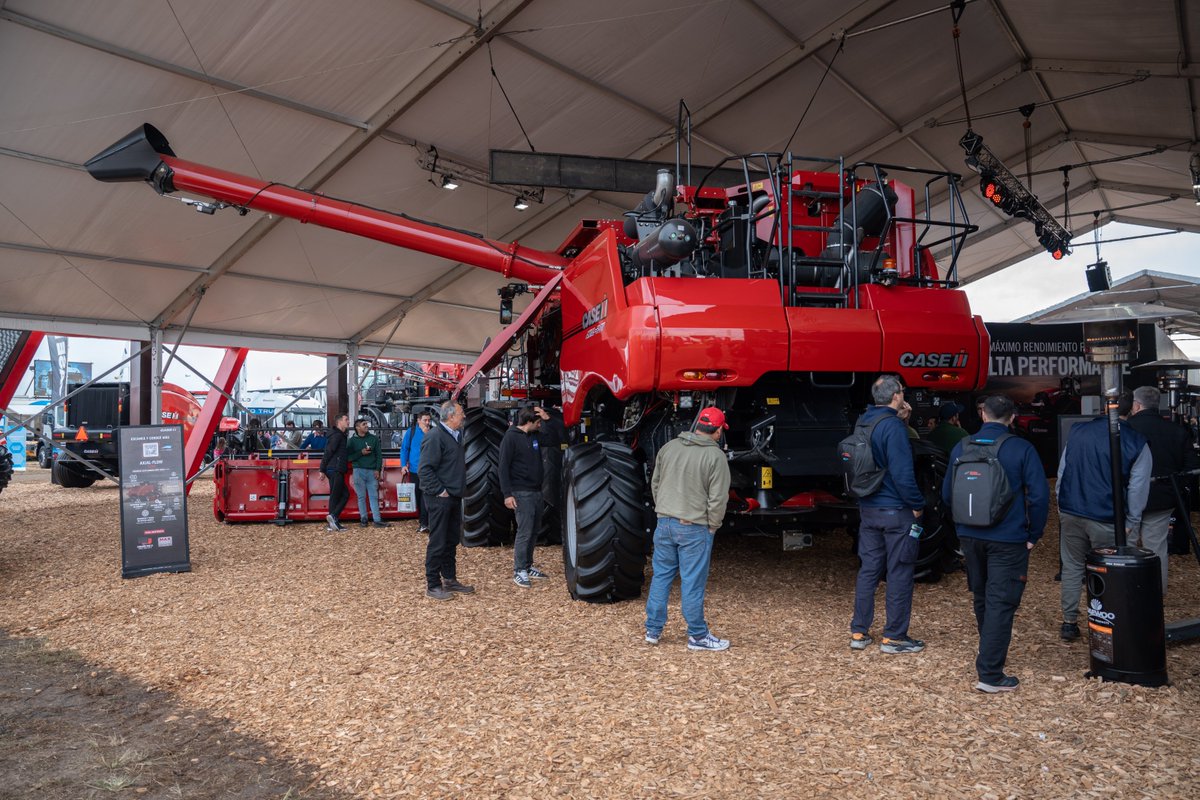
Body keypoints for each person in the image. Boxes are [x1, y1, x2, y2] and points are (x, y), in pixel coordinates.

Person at [942, 395, 1049, 693]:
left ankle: (988, 650)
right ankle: (990, 673)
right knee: (1001, 601)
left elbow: (948, 495)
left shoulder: (961, 446)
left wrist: (962, 526)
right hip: (1008, 538)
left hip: (970, 535)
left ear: (983, 415)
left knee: (982, 595)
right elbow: (1039, 496)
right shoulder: (1021, 448)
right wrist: (1033, 534)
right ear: (1012, 418)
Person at [1056, 399, 1152, 642]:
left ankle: (1069, 622)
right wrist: (1132, 521)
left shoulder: (1077, 431)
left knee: (1072, 566)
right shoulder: (1137, 441)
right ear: (1131, 409)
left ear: (1102, 407)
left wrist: (1061, 502)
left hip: (1072, 510)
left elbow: (1063, 470)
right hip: (1108, 517)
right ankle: (1110, 621)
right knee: (1110, 570)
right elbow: (1137, 489)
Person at [849, 374, 927, 654]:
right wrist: (917, 503)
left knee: (868, 570)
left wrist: (902, 420)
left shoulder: (864, 421)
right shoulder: (892, 427)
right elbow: (902, 472)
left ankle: (859, 632)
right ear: (897, 396)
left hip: (869, 509)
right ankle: (894, 637)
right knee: (899, 571)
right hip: (896, 511)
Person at [644, 407, 732, 651]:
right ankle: (698, 636)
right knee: (692, 582)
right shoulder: (715, 457)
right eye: (719, 432)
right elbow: (717, 498)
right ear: (716, 431)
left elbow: (656, 483)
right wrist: (714, 525)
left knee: (661, 577)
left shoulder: (669, 448)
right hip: (694, 527)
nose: (718, 436)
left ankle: (653, 630)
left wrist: (664, 509)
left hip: (665, 523)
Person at [1125, 385, 1197, 593]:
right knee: (1156, 547)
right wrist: (1177, 487)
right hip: (1163, 497)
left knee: (1127, 545)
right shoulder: (1176, 430)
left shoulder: (1127, 428)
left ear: (1136, 405)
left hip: (1130, 497)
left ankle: (1128, 592)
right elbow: (1191, 466)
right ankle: (1156, 592)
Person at [419, 401, 473, 601]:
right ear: (450, 416)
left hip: (453, 496)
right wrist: (440, 491)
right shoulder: (435, 437)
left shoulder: (454, 435)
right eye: (461, 413)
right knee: (438, 541)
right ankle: (433, 585)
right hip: (440, 498)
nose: (463, 416)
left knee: (451, 540)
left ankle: (449, 579)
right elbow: (425, 469)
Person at [500, 407, 547, 588]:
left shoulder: (534, 436)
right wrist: (507, 494)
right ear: (529, 422)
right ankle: (519, 569)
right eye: (538, 422)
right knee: (525, 531)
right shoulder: (510, 438)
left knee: (534, 530)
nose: (540, 425)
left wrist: (546, 418)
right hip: (521, 492)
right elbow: (503, 468)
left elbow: (554, 439)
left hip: (536, 491)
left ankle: (527, 566)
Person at [349, 417, 390, 529]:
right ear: (357, 427)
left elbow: (379, 455)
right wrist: (361, 453)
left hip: (371, 471)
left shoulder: (374, 439)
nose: (367, 425)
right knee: (362, 496)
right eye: (364, 424)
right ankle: (365, 519)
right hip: (358, 471)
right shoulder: (351, 441)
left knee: (373, 496)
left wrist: (377, 469)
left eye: (366, 423)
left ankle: (376, 520)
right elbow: (348, 457)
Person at [400, 411, 433, 532]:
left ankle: (425, 523)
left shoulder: (432, 432)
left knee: (426, 495)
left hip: (429, 470)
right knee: (418, 495)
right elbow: (404, 449)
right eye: (425, 420)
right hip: (414, 469)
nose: (427, 422)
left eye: (429, 420)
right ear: (419, 420)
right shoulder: (411, 432)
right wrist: (403, 465)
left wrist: (427, 435)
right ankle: (423, 521)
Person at [320, 414, 351, 532]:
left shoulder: (339, 435)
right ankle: (333, 516)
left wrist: (323, 468)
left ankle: (332, 523)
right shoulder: (337, 436)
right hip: (335, 468)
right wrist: (322, 469)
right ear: (339, 422)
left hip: (334, 468)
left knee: (335, 495)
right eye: (346, 420)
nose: (348, 422)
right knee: (343, 495)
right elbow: (328, 451)